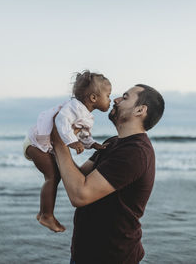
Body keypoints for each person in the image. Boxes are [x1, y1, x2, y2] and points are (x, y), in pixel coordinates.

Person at [50, 84, 165, 264]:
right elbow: (76, 178)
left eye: (125, 97)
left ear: (140, 110)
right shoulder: (113, 143)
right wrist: (60, 140)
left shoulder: (135, 152)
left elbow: (80, 195)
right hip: (85, 255)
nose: (116, 100)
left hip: (112, 257)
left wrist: (59, 143)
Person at [23, 71, 112, 232]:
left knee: (54, 176)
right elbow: (61, 121)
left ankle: (43, 213)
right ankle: (46, 215)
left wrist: (92, 144)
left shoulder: (86, 115)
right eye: (108, 95)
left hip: (41, 145)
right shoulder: (75, 107)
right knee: (52, 176)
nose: (110, 100)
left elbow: (83, 133)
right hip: (36, 143)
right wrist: (72, 141)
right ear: (93, 98)